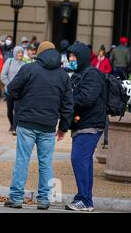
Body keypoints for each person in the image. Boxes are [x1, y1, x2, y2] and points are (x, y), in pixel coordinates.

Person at [4, 41, 73, 210]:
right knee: (46, 163)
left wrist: (22, 99)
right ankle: (43, 199)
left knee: (22, 160)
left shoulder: (29, 69)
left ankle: (16, 197)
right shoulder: (63, 75)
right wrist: (63, 127)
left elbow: (12, 90)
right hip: (49, 124)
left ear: (40, 53)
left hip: (27, 121)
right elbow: (67, 105)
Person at [65, 42, 107, 212]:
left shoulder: (93, 74)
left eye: (74, 56)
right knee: (84, 161)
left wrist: (67, 101)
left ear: (81, 57)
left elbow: (86, 99)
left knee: (79, 159)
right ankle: (85, 199)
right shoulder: (77, 74)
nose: (71, 59)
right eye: (70, 56)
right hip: (81, 124)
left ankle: (84, 199)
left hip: (90, 124)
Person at [0, 46, 25, 135]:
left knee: (17, 109)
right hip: (9, 90)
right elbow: (3, 75)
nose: (20, 54)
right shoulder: (9, 61)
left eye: (22, 52)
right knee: (9, 109)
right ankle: (11, 125)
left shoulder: (24, 63)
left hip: (20, 91)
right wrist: (10, 85)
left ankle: (15, 128)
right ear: (15, 53)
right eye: (19, 52)